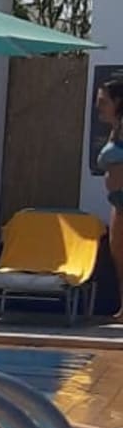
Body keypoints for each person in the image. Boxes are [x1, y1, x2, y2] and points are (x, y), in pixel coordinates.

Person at [95, 75, 123, 298]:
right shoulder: (116, 130)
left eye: (103, 101)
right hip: (117, 200)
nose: (99, 107)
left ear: (118, 102)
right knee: (119, 255)